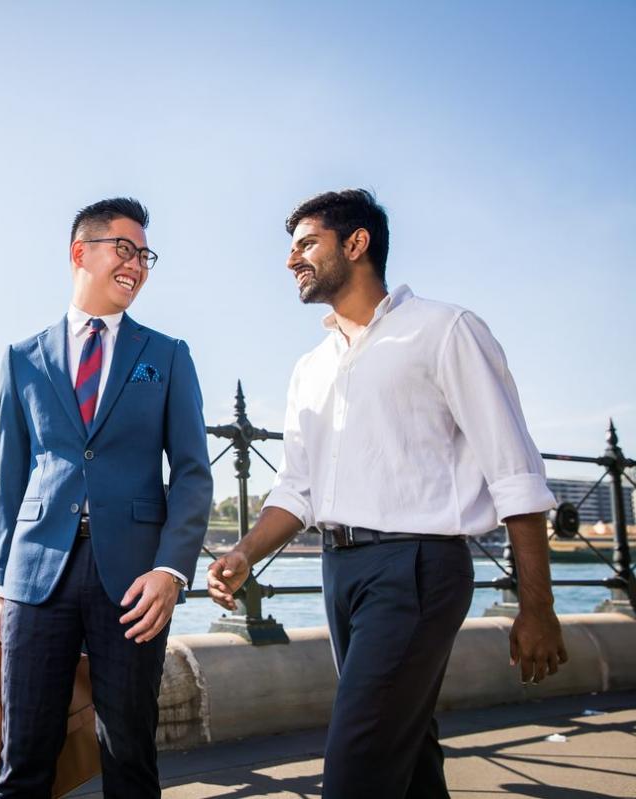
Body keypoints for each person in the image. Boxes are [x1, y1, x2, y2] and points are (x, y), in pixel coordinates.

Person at [207, 189, 568, 799]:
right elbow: (296, 489)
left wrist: (537, 605)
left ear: (356, 243)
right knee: (408, 757)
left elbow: (515, 473)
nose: (291, 260)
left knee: (357, 770)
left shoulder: (445, 329)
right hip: (339, 570)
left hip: (418, 567)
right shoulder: (310, 368)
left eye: (305, 244)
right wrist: (244, 553)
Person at [0, 197, 213, 798]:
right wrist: (2, 586)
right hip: (37, 576)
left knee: (131, 755)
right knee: (22, 757)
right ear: (78, 252)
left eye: (145, 256)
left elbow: (193, 472)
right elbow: (11, 483)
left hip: (136, 578)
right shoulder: (22, 359)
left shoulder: (166, 356)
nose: (137, 265)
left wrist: (171, 569)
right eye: (125, 249)